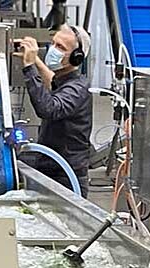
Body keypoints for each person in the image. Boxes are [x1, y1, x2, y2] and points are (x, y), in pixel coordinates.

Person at [13, 25, 94, 197]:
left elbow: (48, 109)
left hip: (66, 177)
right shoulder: (64, 81)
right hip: (49, 168)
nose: (53, 50)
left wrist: (29, 67)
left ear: (76, 57)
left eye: (61, 47)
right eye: (54, 43)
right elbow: (51, 80)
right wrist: (35, 60)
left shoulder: (78, 89)